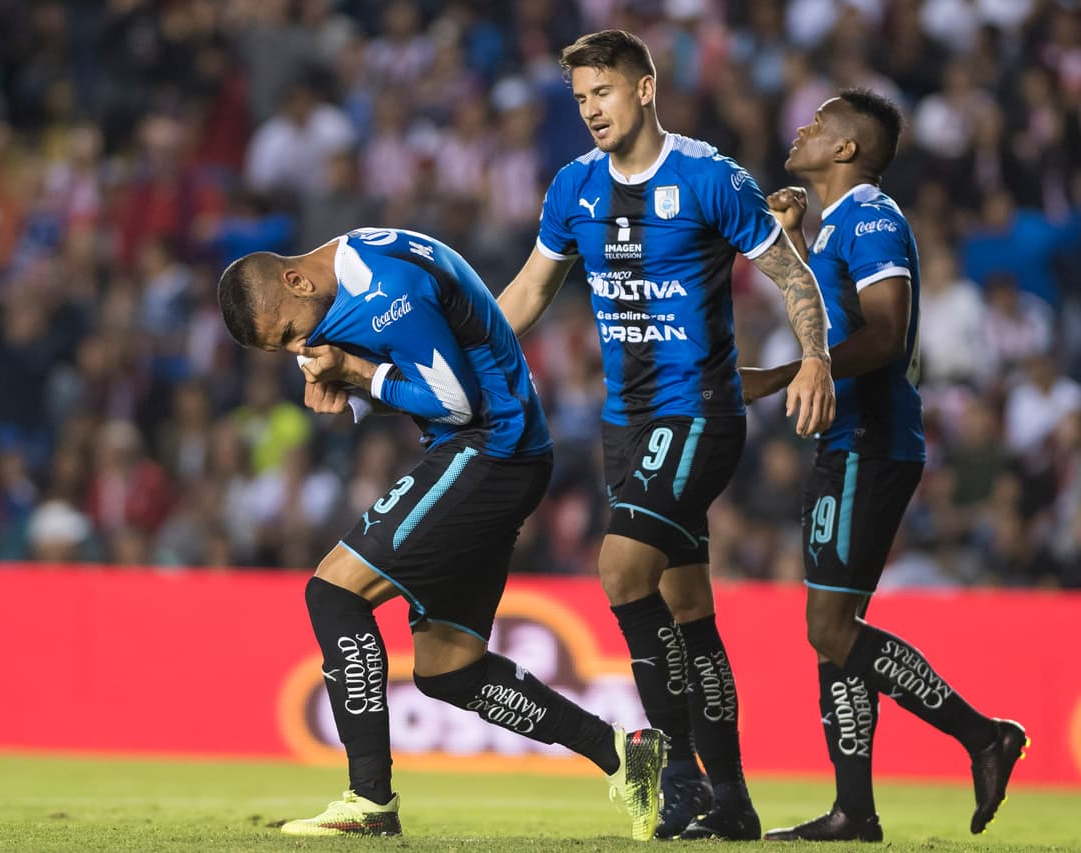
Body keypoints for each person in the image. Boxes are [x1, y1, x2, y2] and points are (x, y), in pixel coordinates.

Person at [216, 228, 666, 840]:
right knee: (449, 669)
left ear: (296, 281)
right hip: (507, 452)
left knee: (333, 593)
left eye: (292, 333)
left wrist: (357, 373)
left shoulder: (383, 292)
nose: (301, 347)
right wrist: (351, 389)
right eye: (287, 349)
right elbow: (438, 357)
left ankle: (369, 800)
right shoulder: (358, 261)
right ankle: (623, 753)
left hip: (490, 449)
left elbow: (454, 404)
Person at [496, 30, 835, 840]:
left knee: (619, 569)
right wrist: (461, 355)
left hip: (699, 413)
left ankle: (678, 775)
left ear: (644, 89)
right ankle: (738, 803)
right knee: (687, 608)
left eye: (602, 93)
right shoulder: (573, 188)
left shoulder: (711, 177)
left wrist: (815, 358)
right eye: (579, 98)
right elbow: (529, 292)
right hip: (626, 425)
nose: (590, 111)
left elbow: (791, 273)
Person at [739, 89, 1028, 842]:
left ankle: (983, 734)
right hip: (849, 441)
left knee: (830, 626)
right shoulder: (838, 224)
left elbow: (887, 333)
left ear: (845, 150)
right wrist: (794, 245)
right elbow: (840, 308)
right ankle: (852, 809)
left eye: (818, 123)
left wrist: (785, 373)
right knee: (837, 627)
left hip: (870, 440)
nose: (800, 127)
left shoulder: (871, 216)